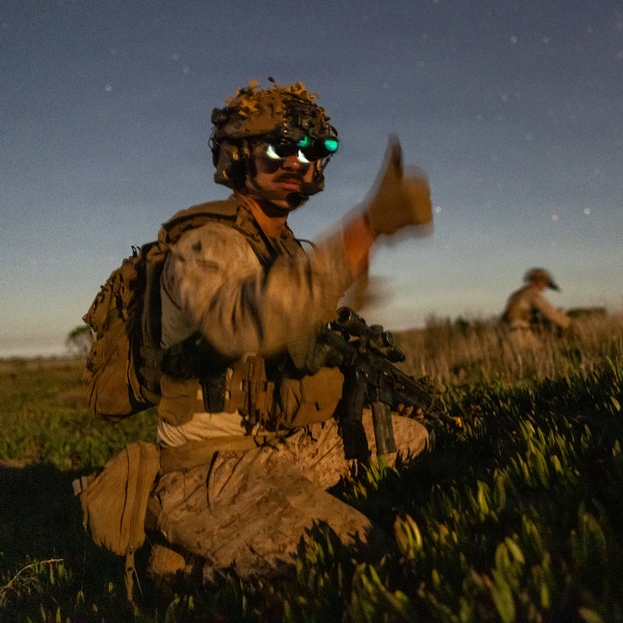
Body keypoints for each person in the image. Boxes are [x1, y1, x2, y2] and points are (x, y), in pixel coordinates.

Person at [140, 79, 434, 582]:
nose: (299, 161)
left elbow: (299, 325)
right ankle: (184, 561)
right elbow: (240, 324)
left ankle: (230, 543)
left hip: (271, 447)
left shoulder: (286, 252)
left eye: (316, 149)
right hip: (208, 471)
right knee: (366, 560)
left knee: (411, 437)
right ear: (239, 155)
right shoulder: (205, 245)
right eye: (280, 147)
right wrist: (364, 228)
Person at [500, 268, 572, 349]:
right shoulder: (533, 294)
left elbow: (505, 316)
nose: (544, 288)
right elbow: (550, 313)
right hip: (521, 334)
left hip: (508, 335)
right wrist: (569, 324)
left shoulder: (516, 295)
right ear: (539, 282)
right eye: (545, 284)